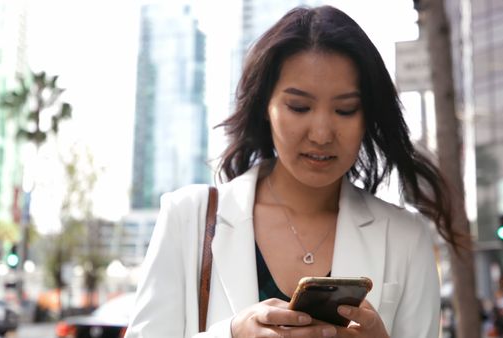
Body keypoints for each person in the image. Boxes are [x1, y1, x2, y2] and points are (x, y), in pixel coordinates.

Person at [125, 5, 462, 338]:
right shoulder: (189, 218)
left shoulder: (405, 237)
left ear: (367, 117)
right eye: (299, 107)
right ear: (264, 107)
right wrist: (231, 334)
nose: (321, 133)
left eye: (345, 110)